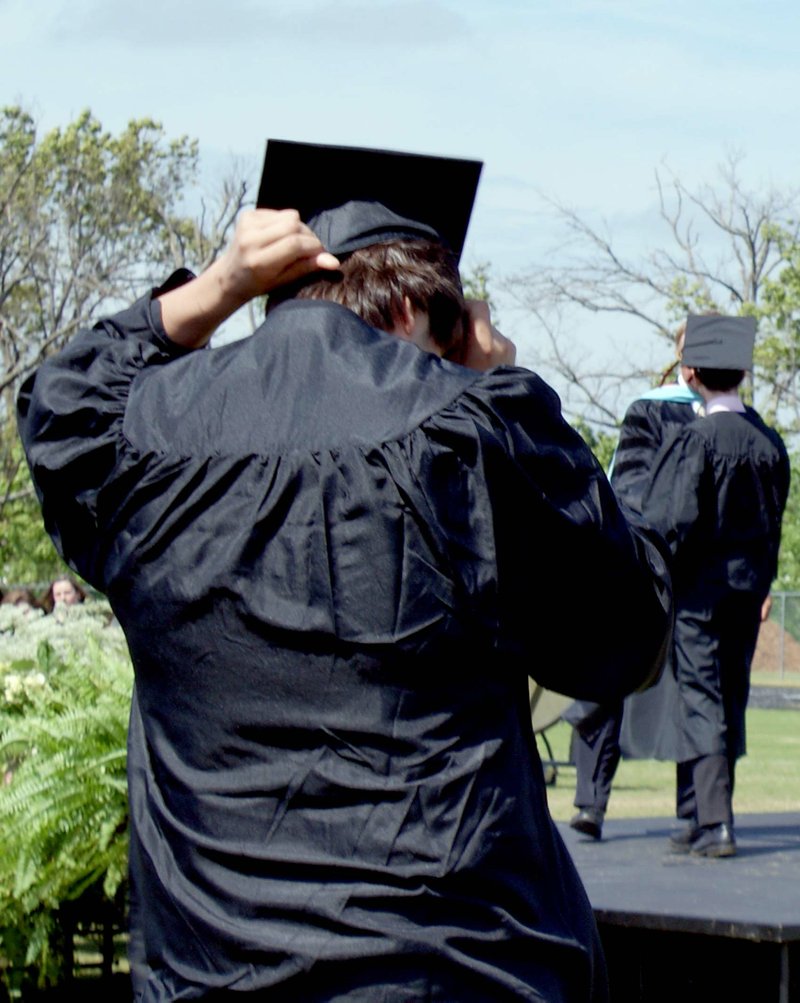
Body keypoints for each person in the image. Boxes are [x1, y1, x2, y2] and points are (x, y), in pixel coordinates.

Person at [18, 141, 671, 1001]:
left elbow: (62, 399)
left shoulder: (148, 435)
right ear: (408, 305)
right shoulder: (473, 426)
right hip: (451, 966)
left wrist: (218, 287)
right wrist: (502, 386)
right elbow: (622, 641)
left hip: (208, 971)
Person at [643, 314, 790, 857]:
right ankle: (698, 817)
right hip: (748, 593)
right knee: (731, 697)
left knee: (701, 699)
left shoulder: (696, 441)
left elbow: (673, 522)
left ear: (693, 371)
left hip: (700, 594)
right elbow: (774, 526)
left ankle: (716, 823)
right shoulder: (770, 444)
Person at [568, 327, 701, 840]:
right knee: (609, 683)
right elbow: (629, 488)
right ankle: (591, 803)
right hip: (648, 563)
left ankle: (694, 813)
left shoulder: (715, 418)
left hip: (689, 575)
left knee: (693, 693)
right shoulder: (655, 409)